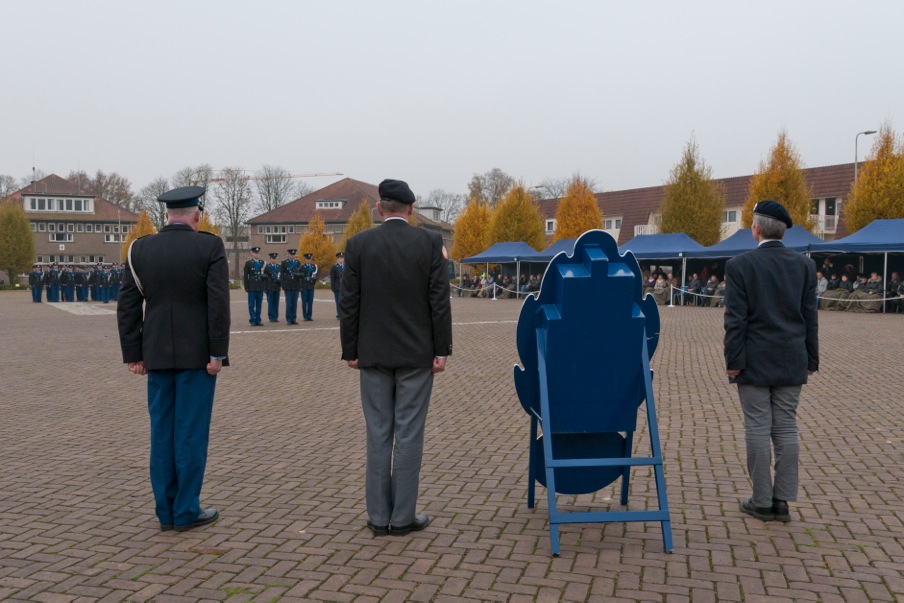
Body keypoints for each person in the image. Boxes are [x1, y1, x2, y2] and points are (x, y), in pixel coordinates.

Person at [340, 178, 453, 537]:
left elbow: (349, 303)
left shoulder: (358, 244)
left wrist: (350, 350)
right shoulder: (429, 243)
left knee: (377, 435)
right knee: (409, 435)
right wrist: (441, 350)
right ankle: (402, 517)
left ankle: (378, 517)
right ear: (411, 209)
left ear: (379, 208)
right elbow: (439, 302)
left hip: (372, 354)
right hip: (417, 355)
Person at [117, 185, 230, 532]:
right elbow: (218, 304)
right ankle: (186, 511)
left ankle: (166, 512)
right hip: (197, 358)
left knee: (162, 434)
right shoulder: (209, 246)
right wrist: (217, 353)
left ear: (166, 215)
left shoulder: (140, 249)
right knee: (190, 434)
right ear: (197, 214)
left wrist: (133, 354)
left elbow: (128, 305)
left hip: (155, 356)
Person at [724, 200, 818, 523]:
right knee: (787, 428)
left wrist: (733, 360)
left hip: (753, 361)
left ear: (757, 229)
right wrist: (811, 358)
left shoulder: (739, 265)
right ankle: (782, 501)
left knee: (757, 427)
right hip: (792, 358)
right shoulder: (804, 266)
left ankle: (761, 501)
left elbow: (736, 320)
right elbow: (810, 317)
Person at [243, 247, 265, 326]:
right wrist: (246, 286)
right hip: (252, 286)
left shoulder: (262, 263)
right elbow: (246, 275)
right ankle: (252, 319)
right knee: (251, 304)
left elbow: (264, 274)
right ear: (252, 254)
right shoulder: (248, 263)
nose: (257, 255)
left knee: (259, 304)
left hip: (260, 286)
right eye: (255, 253)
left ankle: (258, 320)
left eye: (258, 253)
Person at [281, 249, 301, 325]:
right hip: (288, 285)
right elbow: (282, 275)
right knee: (289, 303)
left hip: (295, 285)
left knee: (294, 303)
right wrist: (283, 285)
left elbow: (300, 274)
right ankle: (289, 319)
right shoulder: (284, 263)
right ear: (288, 255)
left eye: (293, 255)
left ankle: (294, 318)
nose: (292, 256)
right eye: (291, 254)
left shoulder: (298, 262)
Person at [299, 253, 318, 321]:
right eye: (307, 259)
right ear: (305, 260)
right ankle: (305, 316)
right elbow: (300, 278)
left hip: (311, 286)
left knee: (310, 302)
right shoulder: (302, 267)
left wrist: (313, 279)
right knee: (304, 302)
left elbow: (316, 276)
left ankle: (309, 316)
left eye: (310, 259)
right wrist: (300, 287)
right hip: (304, 287)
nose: (309, 260)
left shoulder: (313, 267)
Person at [263, 252, 281, 322]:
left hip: (277, 287)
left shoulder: (279, 267)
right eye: (273, 259)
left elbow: (281, 276)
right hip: (270, 287)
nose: (274, 260)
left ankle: (275, 316)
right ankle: (271, 317)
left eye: (275, 258)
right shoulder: (267, 267)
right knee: (270, 303)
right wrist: (265, 288)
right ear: (270, 259)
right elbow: (265, 279)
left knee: (276, 302)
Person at [330, 252, 344, 319]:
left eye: (342, 258)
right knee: (338, 301)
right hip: (337, 287)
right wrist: (333, 287)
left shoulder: (346, 266)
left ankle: (343, 314)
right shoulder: (334, 267)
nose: (341, 259)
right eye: (340, 258)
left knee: (344, 301)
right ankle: (339, 314)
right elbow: (332, 278)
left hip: (344, 287)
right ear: (338, 259)